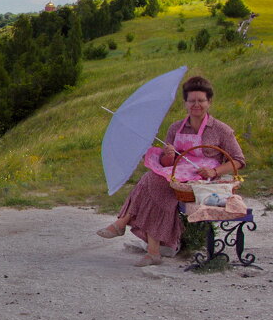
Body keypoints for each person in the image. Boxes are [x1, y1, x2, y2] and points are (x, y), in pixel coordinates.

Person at [97, 75, 245, 266]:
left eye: (201, 100)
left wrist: (214, 171)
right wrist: (168, 155)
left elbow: (239, 160)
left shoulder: (221, 130)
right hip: (176, 176)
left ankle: (125, 226)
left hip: (201, 180)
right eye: (192, 101)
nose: (196, 105)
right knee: (154, 181)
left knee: (152, 182)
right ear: (185, 103)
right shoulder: (176, 128)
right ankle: (152, 250)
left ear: (209, 102)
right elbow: (167, 164)